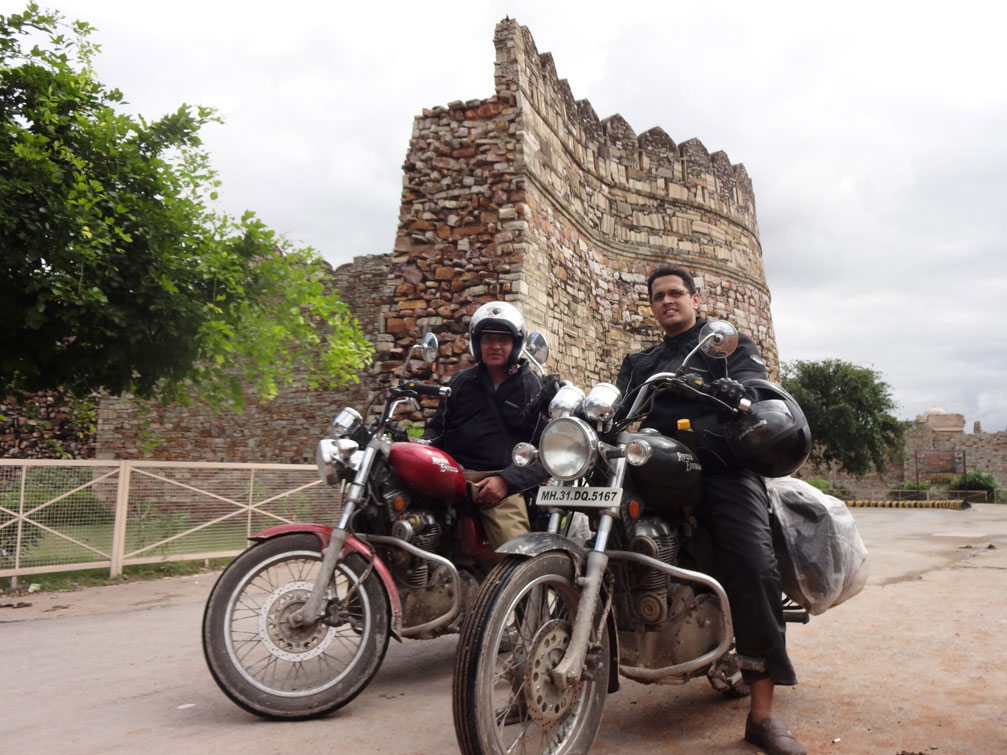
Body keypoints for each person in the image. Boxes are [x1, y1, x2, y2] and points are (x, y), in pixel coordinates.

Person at [615, 265, 807, 755]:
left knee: (752, 564)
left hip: (722, 465)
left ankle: (762, 715)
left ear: (695, 299)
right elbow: (619, 412)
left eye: (676, 293)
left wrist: (736, 391)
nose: (666, 302)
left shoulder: (727, 346)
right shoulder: (642, 362)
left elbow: (757, 390)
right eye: (658, 296)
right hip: (656, 466)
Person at [423, 301, 550, 550]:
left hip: (498, 482)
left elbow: (545, 450)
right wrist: (420, 444)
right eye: (488, 339)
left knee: (516, 553)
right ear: (476, 343)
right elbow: (438, 429)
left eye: (503, 340)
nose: (495, 346)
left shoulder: (532, 386)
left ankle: (526, 587)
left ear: (516, 344)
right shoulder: (461, 381)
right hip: (451, 475)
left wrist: (507, 480)